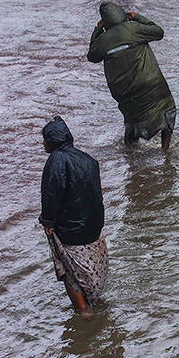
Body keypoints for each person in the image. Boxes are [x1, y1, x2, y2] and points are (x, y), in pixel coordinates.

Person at [39, 116, 108, 317]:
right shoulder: (88, 159)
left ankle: (83, 311)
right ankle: (92, 299)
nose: (42, 143)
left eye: (45, 138)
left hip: (71, 228)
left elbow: (52, 194)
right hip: (93, 225)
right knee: (88, 265)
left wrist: (48, 222)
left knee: (68, 270)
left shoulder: (56, 161)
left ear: (53, 139)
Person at [87, 2, 177, 148]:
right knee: (166, 109)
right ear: (123, 15)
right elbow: (158, 32)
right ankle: (166, 150)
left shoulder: (103, 40)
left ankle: (131, 158)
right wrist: (138, 18)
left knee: (132, 122)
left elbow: (92, 56)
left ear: (104, 22)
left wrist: (97, 31)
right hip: (152, 84)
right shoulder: (134, 28)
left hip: (125, 92)